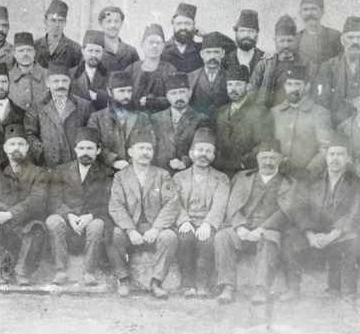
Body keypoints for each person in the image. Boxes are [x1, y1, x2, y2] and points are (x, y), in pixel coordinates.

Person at [282, 135, 360, 304]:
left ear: (348, 159)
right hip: (313, 231)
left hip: (339, 232)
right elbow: (299, 209)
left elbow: (355, 213)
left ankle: (348, 293)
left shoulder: (356, 183)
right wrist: (310, 234)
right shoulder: (311, 180)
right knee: (290, 237)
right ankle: (293, 288)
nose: (335, 158)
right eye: (332, 154)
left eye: (340, 154)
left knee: (353, 239)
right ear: (325, 157)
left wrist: (333, 234)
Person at [212, 140, 294, 304]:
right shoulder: (243, 178)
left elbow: (285, 212)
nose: (268, 162)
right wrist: (239, 227)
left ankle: (260, 289)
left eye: (273, 158)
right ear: (257, 158)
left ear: (280, 159)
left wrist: (262, 229)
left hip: (269, 229)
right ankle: (227, 287)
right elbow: (233, 205)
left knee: (269, 240)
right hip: (244, 227)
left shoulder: (289, 182)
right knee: (223, 236)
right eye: (264, 158)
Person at [108, 129, 180, 299]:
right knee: (114, 234)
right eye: (140, 148)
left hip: (154, 226)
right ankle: (123, 280)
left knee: (169, 237)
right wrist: (130, 230)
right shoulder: (120, 177)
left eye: (149, 149)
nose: (145, 153)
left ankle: (156, 282)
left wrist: (156, 228)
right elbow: (116, 206)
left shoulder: (162, 175)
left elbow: (172, 203)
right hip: (131, 227)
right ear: (130, 152)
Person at [0, 123, 47, 285]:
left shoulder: (38, 172)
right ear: (5, 148)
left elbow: (38, 199)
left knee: (37, 230)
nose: (16, 148)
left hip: (25, 223)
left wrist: (11, 214)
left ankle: (22, 272)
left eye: (21, 144)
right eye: (12, 144)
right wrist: (3, 211)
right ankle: (4, 268)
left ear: (27, 147)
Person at [44, 127, 114, 286]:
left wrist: (91, 216)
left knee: (98, 224)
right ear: (75, 150)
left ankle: (89, 272)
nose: (85, 152)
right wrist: (69, 215)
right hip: (67, 225)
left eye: (90, 148)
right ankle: (61, 271)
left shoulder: (107, 173)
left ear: (98, 150)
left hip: (92, 225)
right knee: (53, 221)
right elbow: (53, 199)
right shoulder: (61, 171)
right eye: (81, 148)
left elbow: (109, 202)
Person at [173, 129, 231, 297]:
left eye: (208, 151)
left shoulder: (221, 178)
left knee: (207, 240)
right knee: (185, 238)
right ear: (191, 153)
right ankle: (187, 284)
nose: (203, 155)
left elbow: (220, 204)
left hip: (208, 222)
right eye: (199, 150)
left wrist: (208, 224)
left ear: (213, 155)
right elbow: (174, 202)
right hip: (187, 222)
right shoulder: (178, 177)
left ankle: (202, 285)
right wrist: (184, 221)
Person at [314, 15, 360, 127]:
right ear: (342, 40)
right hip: (336, 125)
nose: (355, 41)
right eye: (350, 37)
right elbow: (321, 103)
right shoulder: (328, 67)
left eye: (359, 37)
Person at [25, 62, 93, 168]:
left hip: (76, 165)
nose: (60, 85)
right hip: (48, 165)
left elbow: (91, 134)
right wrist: (42, 151)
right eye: (56, 81)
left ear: (70, 82)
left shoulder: (84, 106)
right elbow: (29, 134)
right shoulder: (36, 106)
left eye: (64, 81)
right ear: (48, 83)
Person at [271, 65, 332, 180]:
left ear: (307, 87)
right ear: (284, 86)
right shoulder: (275, 112)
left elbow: (325, 148)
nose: (292, 89)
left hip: (307, 178)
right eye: (289, 84)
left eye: (297, 84)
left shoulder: (319, 113)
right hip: (277, 176)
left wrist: (308, 172)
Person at [213, 64, 274, 177]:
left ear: (248, 86)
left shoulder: (259, 112)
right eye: (230, 84)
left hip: (246, 172)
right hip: (220, 171)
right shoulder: (220, 112)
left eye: (238, 84)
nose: (233, 89)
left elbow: (264, 144)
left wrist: (242, 163)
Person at [88, 70, 153, 171]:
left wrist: (132, 163)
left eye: (129, 91)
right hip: (105, 172)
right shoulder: (96, 118)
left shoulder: (142, 118)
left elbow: (149, 143)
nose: (126, 96)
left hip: (135, 171)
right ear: (110, 91)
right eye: (121, 91)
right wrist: (113, 161)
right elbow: (93, 144)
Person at [151, 73, 207, 173]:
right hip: (160, 173)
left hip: (188, 173)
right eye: (173, 93)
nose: (178, 97)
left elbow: (203, 149)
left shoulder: (201, 119)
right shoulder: (156, 119)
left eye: (182, 92)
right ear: (167, 96)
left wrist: (185, 162)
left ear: (189, 93)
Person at [249, 14, 300, 108]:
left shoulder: (304, 65)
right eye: (282, 41)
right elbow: (251, 94)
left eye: (290, 41)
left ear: (296, 40)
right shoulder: (263, 65)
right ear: (275, 40)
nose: (286, 45)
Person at [130, 24, 177, 112]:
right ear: (142, 44)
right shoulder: (132, 69)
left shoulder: (170, 70)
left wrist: (153, 102)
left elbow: (175, 97)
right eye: (151, 42)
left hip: (162, 116)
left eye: (158, 43)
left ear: (163, 46)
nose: (154, 46)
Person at [296, 0, 341, 82]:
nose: (309, 13)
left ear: (322, 11)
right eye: (305, 9)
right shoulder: (295, 39)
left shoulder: (335, 36)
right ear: (300, 13)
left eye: (314, 9)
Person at [188, 32, 230, 122]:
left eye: (216, 52)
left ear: (223, 53)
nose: (212, 56)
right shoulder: (191, 77)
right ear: (201, 54)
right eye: (208, 52)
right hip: (198, 125)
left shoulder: (230, 77)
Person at [34, 0, 83, 69]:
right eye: (53, 20)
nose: (57, 25)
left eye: (60, 21)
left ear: (65, 22)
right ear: (45, 21)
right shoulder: (35, 46)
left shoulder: (75, 49)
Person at [69, 30, 111, 111]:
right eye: (90, 50)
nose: (94, 55)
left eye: (97, 51)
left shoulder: (110, 76)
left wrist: (97, 96)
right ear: (83, 51)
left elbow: (115, 101)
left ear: (102, 52)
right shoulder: (71, 74)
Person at [8, 32, 48, 112]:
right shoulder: (7, 78)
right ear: (14, 53)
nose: (25, 54)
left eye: (29, 50)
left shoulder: (48, 75)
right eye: (21, 51)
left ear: (34, 52)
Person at [162, 3, 203, 74]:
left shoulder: (201, 49)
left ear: (194, 25)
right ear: (173, 25)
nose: (183, 27)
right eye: (179, 23)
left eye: (187, 23)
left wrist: (206, 36)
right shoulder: (162, 48)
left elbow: (224, 52)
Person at [97, 5, 139, 72]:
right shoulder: (95, 50)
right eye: (108, 21)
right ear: (101, 24)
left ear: (121, 23)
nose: (113, 25)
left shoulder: (131, 51)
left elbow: (137, 74)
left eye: (116, 21)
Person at [224, 9, 265, 76]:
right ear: (236, 33)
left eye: (251, 31)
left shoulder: (265, 60)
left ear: (257, 34)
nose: (246, 35)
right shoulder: (225, 60)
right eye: (242, 31)